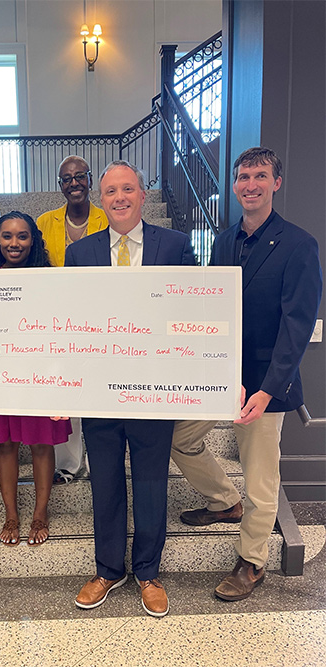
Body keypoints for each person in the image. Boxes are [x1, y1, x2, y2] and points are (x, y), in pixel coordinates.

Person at [171, 146, 323, 601]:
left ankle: (252, 560)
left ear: (276, 183)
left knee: (260, 478)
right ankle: (223, 501)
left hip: (265, 384)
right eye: (242, 176)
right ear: (234, 185)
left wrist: (268, 389)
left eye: (260, 176)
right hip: (220, 373)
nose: (250, 185)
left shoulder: (299, 245)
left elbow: (296, 329)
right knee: (180, 438)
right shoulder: (224, 240)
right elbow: (214, 307)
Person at [65, 160, 196, 617]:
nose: (119, 197)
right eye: (110, 191)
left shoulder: (177, 245)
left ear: (143, 194)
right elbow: (71, 323)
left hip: (153, 388)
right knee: (104, 481)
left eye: (128, 189)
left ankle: (148, 572)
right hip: (99, 391)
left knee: (151, 481)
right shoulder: (80, 254)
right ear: (101, 201)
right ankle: (108, 569)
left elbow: (193, 313)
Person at [0, 211, 72, 546]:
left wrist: (61, 385)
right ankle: (11, 515)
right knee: (4, 443)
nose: (14, 243)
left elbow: (62, 331)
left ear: (34, 240)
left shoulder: (51, 279)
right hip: (1, 375)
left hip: (41, 374)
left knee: (42, 444)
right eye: (7, 236)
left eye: (22, 236)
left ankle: (40, 514)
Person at [37, 155, 108, 485]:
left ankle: (100, 462)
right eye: (67, 178)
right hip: (58, 319)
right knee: (66, 390)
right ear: (60, 185)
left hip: (100, 318)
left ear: (91, 181)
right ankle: (68, 465)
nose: (74, 183)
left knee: (99, 391)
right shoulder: (43, 222)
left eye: (81, 176)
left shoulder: (108, 218)